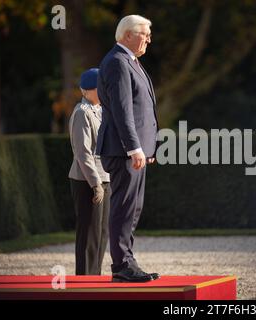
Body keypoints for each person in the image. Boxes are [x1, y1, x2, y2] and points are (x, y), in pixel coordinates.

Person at [96, 15, 159, 282]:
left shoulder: (130, 61)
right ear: (127, 35)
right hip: (123, 150)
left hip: (133, 151)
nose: (148, 38)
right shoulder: (118, 62)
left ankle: (127, 261)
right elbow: (123, 111)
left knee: (133, 207)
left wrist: (146, 148)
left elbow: (141, 110)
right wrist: (134, 148)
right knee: (124, 207)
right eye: (144, 33)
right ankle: (122, 266)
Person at [68, 68, 111, 275]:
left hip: (105, 177)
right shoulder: (82, 113)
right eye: (98, 87)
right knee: (89, 234)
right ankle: (84, 281)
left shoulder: (101, 109)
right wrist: (96, 184)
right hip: (87, 180)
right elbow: (83, 153)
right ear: (86, 90)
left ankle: (95, 277)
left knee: (102, 233)